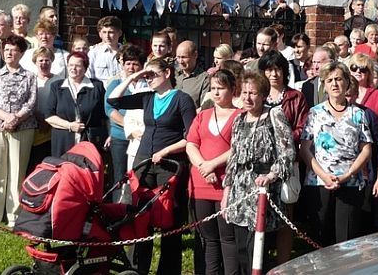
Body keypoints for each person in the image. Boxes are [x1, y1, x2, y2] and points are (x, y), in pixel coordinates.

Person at [107, 58, 196, 275]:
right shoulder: (148, 98)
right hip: (143, 162)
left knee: (169, 218)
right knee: (139, 217)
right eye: (146, 76)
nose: (148, 79)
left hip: (169, 165)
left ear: (167, 73)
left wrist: (166, 151)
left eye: (152, 75)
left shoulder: (182, 100)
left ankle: (167, 270)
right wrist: (133, 77)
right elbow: (113, 100)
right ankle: (137, 268)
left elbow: (191, 136)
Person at [222, 72, 295, 274]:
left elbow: (287, 152)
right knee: (241, 250)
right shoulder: (239, 120)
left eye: (252, 93)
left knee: (257, 248)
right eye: (244, 92)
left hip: (263, 190)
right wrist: (227, 191)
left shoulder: (274, 115)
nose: (247, 97)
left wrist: (271, 176)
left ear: (263, 95)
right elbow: (233, 157)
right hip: (240, 190)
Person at [300, 61, 372, 246]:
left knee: (346, 239)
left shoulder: (358, 113)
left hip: (350, 182)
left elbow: (366, 149)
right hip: (319, 182)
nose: (334, 84)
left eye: (339, 79)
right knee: (319, 237)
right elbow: (305, 149)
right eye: (330, 80)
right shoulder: (315, 113)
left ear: (347, 82)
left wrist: (348, 174)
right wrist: (324, 176)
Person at [186, 70, 240, 275]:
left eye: (221, 88)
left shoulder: (240, 116)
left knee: (227, 237)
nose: (216, 93)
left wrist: (212, 165)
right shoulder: (202, 116)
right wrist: (203, 166)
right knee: (208, 238)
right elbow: (192, 144)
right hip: (201, 184)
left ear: (233, 89)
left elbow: (238, 147)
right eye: (214, 88)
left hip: (225, 183)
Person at [259, 49, 308, 264]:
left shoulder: (295, 97)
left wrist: (281, 137)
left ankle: (283, 263)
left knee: (286, 215)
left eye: (278, 69)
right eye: (269, 69)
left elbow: (303, 127)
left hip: (287, 161)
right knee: (261, 212)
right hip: (261, 163)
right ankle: (260, 260)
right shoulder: (257, 97)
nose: (274, 74)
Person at [0, 35, 36, 227]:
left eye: (13, 50)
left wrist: (16, 118)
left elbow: (31, 103)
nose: (9, 53)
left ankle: (14, 217)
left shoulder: (30, 76)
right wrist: (6, 117)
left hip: (22, 129)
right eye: (6, 50)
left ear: (21, 53)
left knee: (17, 172)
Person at [45, 51, 107, 157]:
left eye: (78, 65)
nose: (73, 68)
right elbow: (49, 116)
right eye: (70, 65)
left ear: (85, 68)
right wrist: (69, 125)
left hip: (89, 141)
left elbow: (105, 115)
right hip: (63, 140)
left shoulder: (97, 86)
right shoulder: (56, 87)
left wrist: (108, 135)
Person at [103, 44, 147, 192]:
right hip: (120, 138)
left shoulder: (147, 85)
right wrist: (129, 127)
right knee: (120, 177)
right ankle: (117, 210)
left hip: (142, 138)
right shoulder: (115, 84)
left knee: (139, 176)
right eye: (128, 63)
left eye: (135, 64)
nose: (131, 67)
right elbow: (110, 109)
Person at [176, 40, 211, 107]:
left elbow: (204, 108)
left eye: (184, 57)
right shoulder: (173, 75)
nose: (180, 61)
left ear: (195, 55)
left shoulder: (204, 79)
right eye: (178, 57)